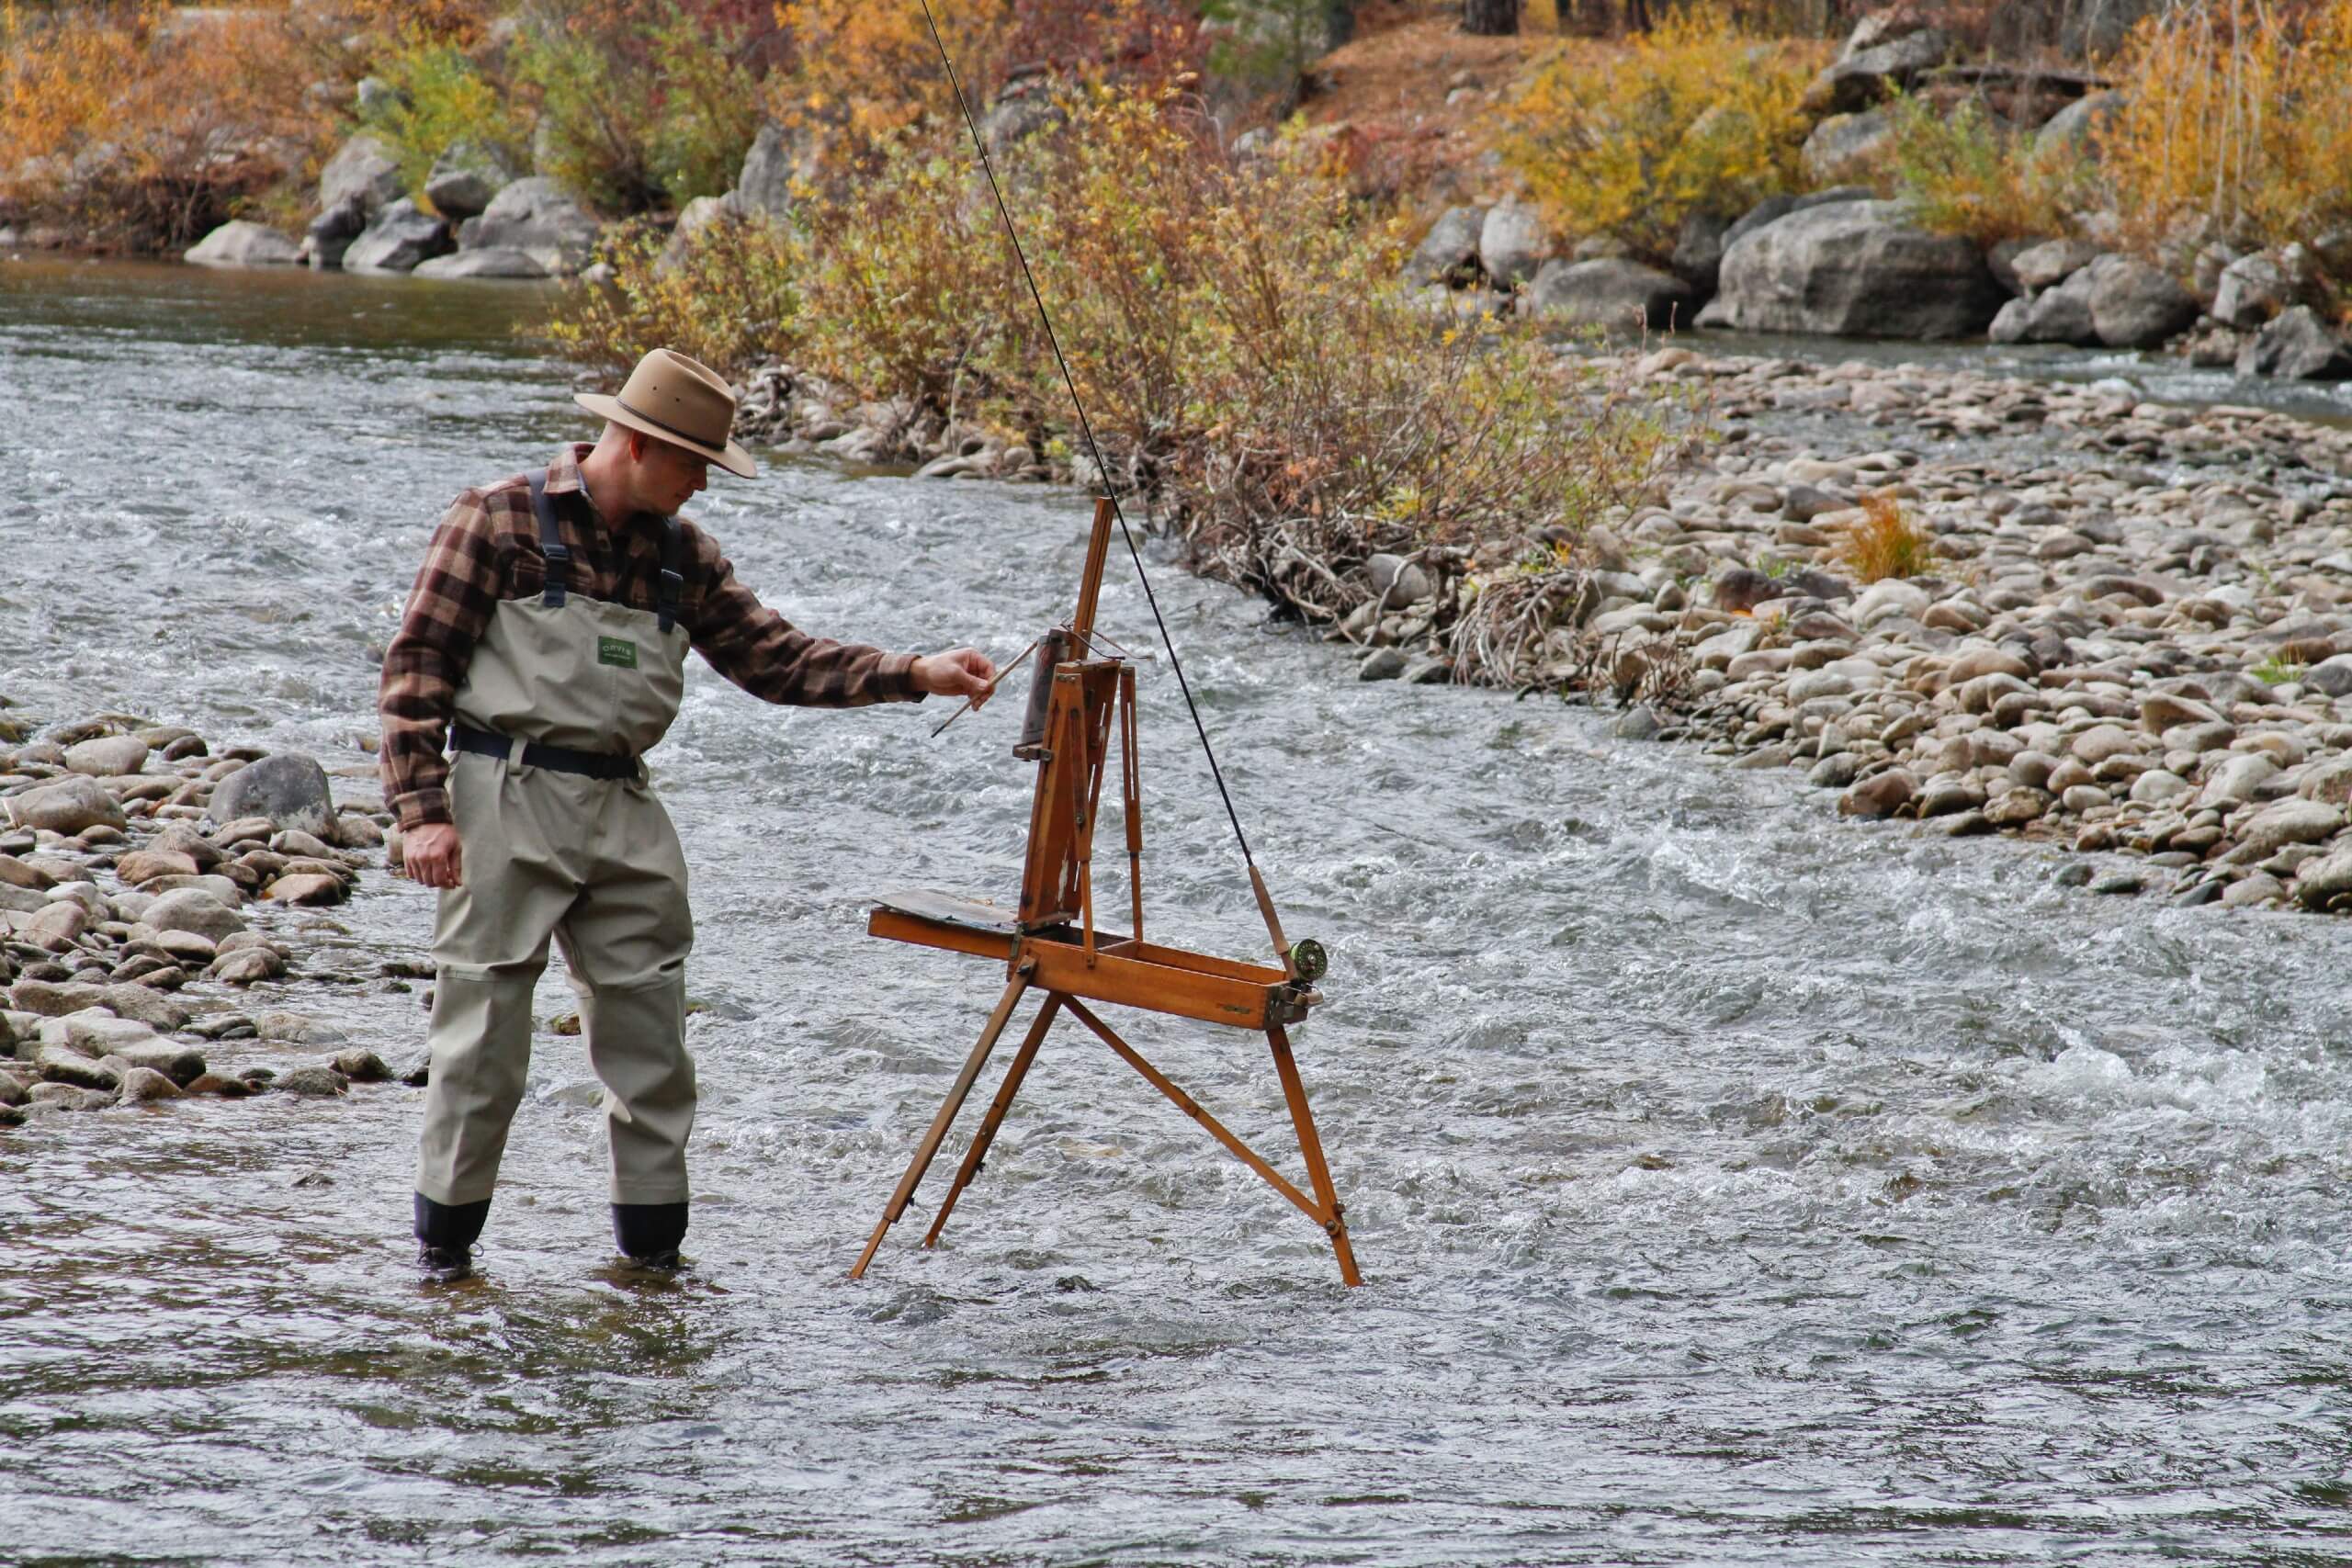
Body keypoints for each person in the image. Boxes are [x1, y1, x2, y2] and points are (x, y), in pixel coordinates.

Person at [378, 347, 994, 1282]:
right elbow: (417, 666)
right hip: (503, 797)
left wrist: (914, 674)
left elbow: (776, 660)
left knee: (653, 1050)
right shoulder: (497, 517)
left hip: (624, 806)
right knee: (483, 1046)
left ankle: (653, 1273)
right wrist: (423, 813)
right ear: (632, 444)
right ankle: (444, 1267)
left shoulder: (684, 555)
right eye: (692, 463)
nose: (703, 482)